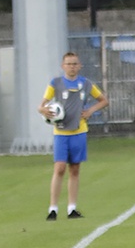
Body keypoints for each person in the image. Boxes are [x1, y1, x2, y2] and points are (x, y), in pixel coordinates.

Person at [38, 52, 108, 220]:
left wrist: (90, 111)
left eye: (75, 64)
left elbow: (103, 100)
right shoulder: (55, 83)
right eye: (69, 64)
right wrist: (44, 111)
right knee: (60, 168)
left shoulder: (85, 84)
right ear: (63, 66)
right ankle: (53, 208)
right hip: (61, 133)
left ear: (80, 66)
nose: (72, 67)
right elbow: (41, 106)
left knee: (75, 169)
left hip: (79, 131)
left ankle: (72, 208)